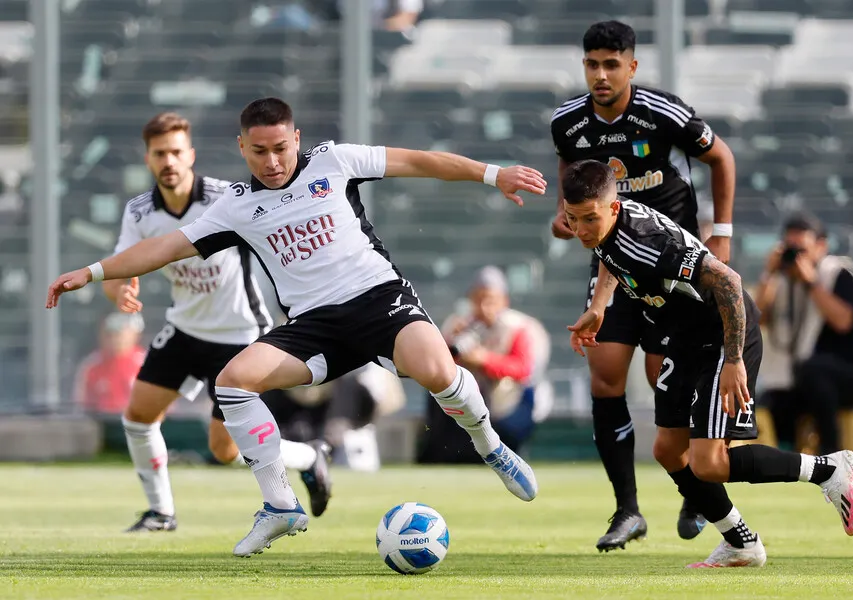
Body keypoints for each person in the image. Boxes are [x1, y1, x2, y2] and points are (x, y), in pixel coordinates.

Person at [47, 97, 546, 557]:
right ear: (242, 147)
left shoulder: (335, 162)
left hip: (377, 300)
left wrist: (492, 174)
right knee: (232, 382)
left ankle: (491, 448)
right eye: (259, 151)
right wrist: (92, 272)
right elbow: (164, 247)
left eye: (281, 148)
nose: (271, 162)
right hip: (313, 324)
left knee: (438, 372)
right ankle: (281, 505)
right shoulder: (237, 205)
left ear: (297, 139)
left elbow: (418, 161)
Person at [563, 159, 853, 567]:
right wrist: (599, 306)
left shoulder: (650, 241)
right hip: (684, 336)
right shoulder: (603, 219)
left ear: (613, 209)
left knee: (710, 463)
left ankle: (828, 469)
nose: (579, 229)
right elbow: (609, 255)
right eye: (571, 218)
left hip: (723, 332)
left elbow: (728, 281)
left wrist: (734, 360)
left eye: (587, 220)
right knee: (669, 450)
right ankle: (741, 542)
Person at [549, 20, 738, 550]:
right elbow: (571, 178)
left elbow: (721, 157)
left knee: (664, 380)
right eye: (592, 64)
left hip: (668, 270)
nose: (601, 75)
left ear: (632, 66)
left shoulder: (664, 113)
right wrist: (564, 217)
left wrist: (720, 234)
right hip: (613, 265)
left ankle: (692, 486)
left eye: (612, 64)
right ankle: (627, 510)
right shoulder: (568, 122)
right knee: (604, 374)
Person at [103, 112, 332, 533]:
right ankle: (161, 514)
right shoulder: (138, 212)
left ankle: (309, 456)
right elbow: (118, 270)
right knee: (137, 416)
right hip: (185, 329)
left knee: (225, 450)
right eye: (159, 154)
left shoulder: (227, 198)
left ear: (190, 155)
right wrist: (120, 291)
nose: (168, 161)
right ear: (148, 159)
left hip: (239, 336)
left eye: (176, 152)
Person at [755, 212, 853, 454]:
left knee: (815, 372)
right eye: (791, 249)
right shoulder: (782, 281)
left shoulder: (838, 272)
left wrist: (811, 282)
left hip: (850, 373)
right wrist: (770, 273)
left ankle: (831, 453)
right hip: (801, 376)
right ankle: (784, 459)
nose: (796, 257)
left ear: (821, 245)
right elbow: (759, 319)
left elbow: (843, 322)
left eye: (802, 250)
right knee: (772, 400)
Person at [418, 266, 551, 463]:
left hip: (511, 400)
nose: (483, 307)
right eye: (478, 300)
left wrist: (484, 360)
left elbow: (524, 370)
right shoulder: (460, 324)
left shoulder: (519, 327)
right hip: (472, 401)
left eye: (490, 300)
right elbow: (439, 368)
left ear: (504, 301)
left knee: (503, 431)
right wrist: (450, 342)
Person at [73, 312, 146, 417]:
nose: (114, 338)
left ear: (135, 334)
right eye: (109, 332)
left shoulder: (149, 365)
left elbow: (164, 409)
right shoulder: (91, 367)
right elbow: (81, 408)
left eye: (119, 332)